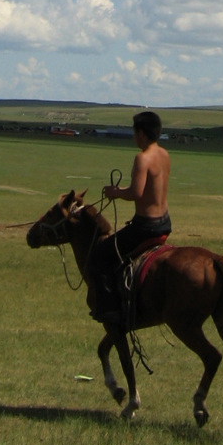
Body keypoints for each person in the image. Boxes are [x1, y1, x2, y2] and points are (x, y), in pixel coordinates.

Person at [90, 110, 171, 322]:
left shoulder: (142, 158)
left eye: (135, 132)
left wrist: (114, 193)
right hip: (164, 223)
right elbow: (148, 189)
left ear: (142, 133)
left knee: (99, 255)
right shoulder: (164, 155)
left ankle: (109, 310)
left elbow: (136, 193)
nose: (134, 137)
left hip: (145, 227)